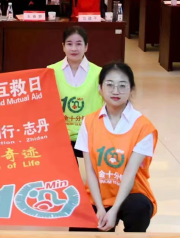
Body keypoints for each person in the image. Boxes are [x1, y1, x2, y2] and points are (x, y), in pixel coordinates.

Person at [74, 63, 158, 233]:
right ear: (100, 88)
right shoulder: (89, 122)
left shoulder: (143, 127)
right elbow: (90, 170)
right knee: (80, 223)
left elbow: (129, 173)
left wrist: (114, 209)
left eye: (122, 85)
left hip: (131, 193)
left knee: (138, 207)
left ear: (131, 89)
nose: (116, 91)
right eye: (110, 85)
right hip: (98, 194)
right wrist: (100, 208)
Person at [48, 27, 103, 158]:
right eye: (69, 44)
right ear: (63, 46)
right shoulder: (50, 71)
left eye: (79, 44)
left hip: (90, 134)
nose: (74, 49)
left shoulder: (99, 73)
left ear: (86, 47)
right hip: (60, 135)